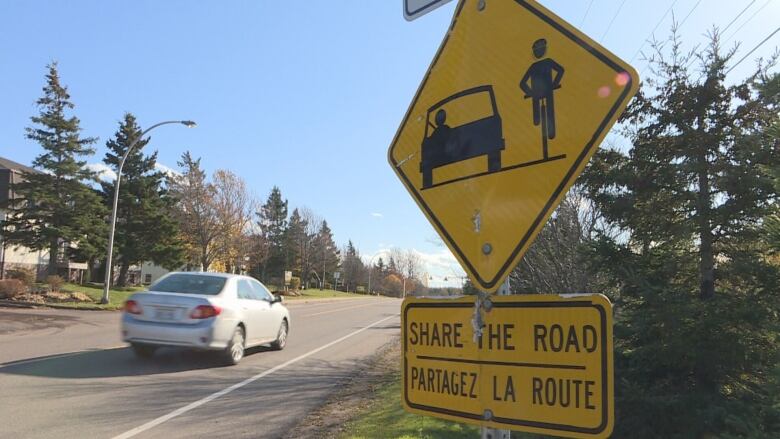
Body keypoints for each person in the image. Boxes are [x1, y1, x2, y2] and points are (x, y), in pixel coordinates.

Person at [519, 38, 564, 139]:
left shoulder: (548, 62)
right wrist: (531, 93)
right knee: (537, 119)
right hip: (537, 95)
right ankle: (539, 123)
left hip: (547, 93)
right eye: (537, 49)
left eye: (541, 49)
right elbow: (522, 83)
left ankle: (551, 134)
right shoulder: (533, 66)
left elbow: (561, 70)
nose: (539, 51)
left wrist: (554, 84)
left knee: (550, 113)